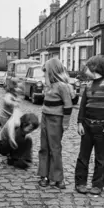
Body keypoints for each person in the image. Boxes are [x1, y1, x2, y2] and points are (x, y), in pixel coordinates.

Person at [75, 55, 104, 195]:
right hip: (87, 126)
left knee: (101, 158)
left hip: (102, 127)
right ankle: (80, 183)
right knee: (83, 156)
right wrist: (80, 123)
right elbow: (82, 106)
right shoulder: (88, 85)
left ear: (94, 67)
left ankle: (98, 185)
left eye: (87, 67)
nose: (85, 70)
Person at [37, 58, 73, 189]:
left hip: (56, 120)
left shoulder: (62, 87)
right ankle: (44, 175)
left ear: (52, 72)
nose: (44, 75)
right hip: (45, 118)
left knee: (55, 149)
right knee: (44, 147)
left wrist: (65, 123)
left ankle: (57, 177)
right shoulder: (49, 87)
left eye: (45, 73)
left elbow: (68, 105)